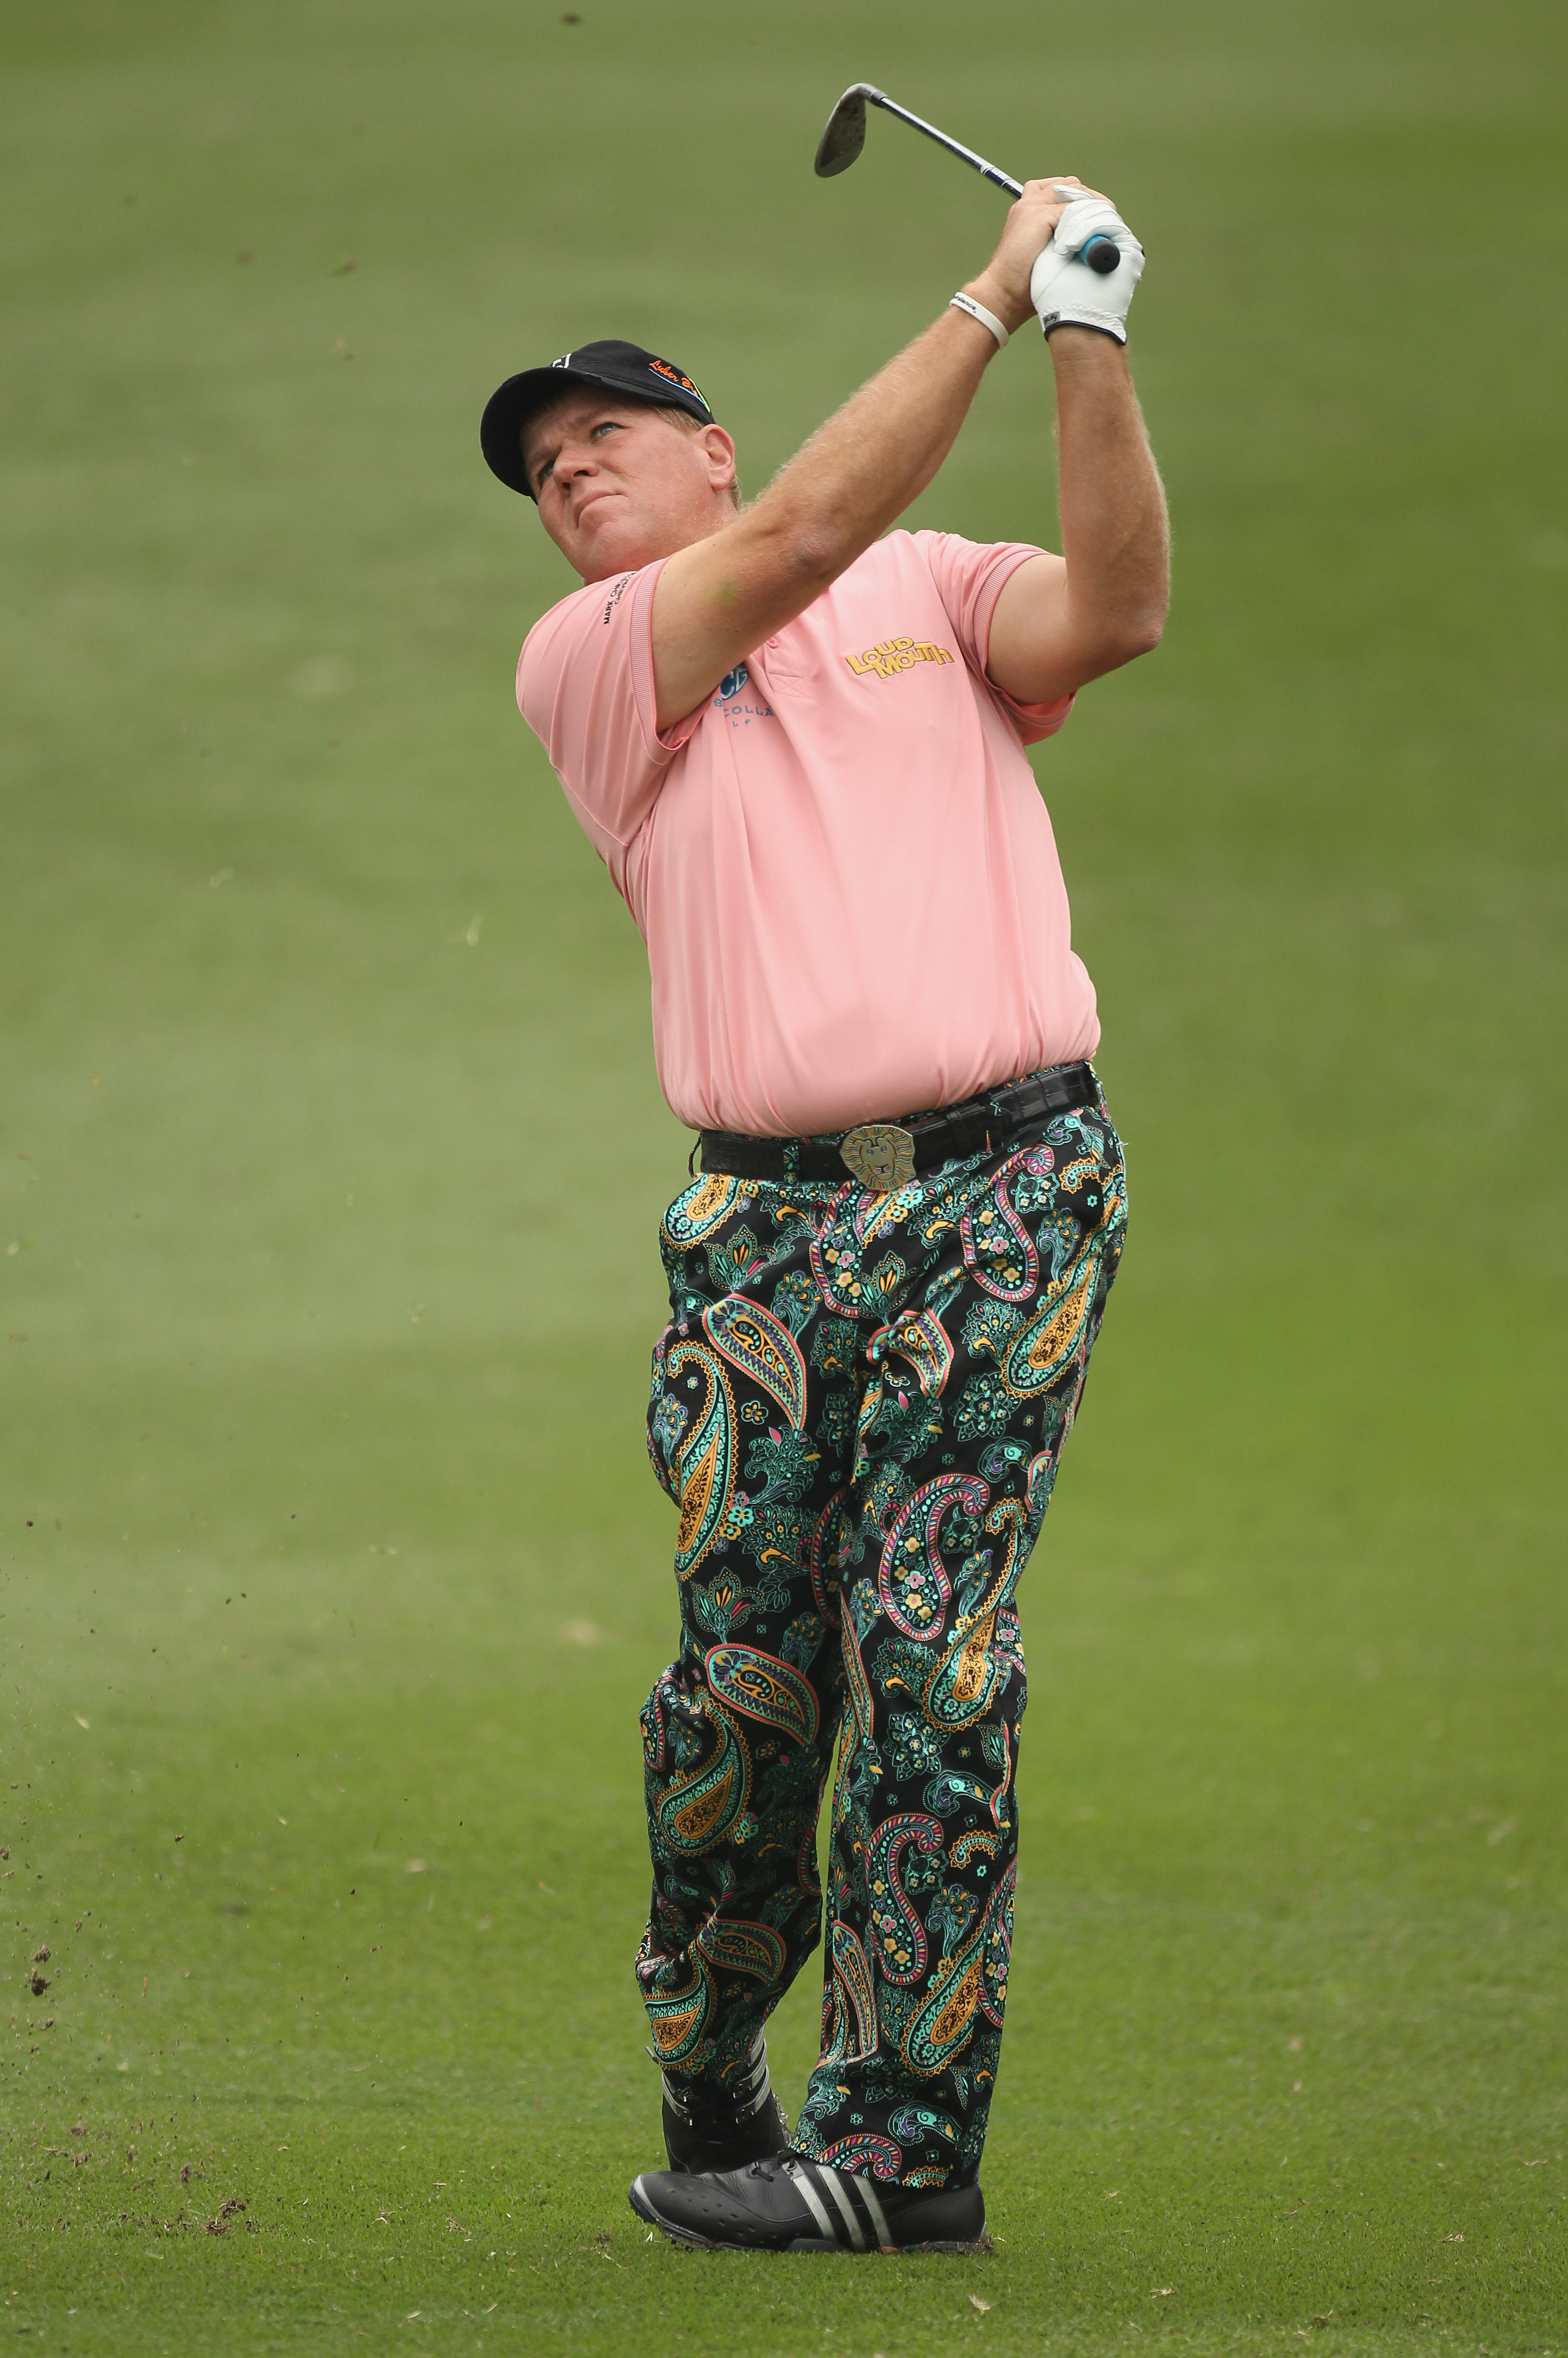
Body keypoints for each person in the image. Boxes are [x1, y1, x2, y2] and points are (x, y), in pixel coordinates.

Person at [481, 175, 1168, 2255]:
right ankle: (712, 2046)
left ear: (706, 438)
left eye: (599, 429)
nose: (566, 471)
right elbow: (795, 541)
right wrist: (984, 286)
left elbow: (1114, 611)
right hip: (761, 1236)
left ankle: (901, 2145)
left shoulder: (936, 587)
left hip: (1006, 1192)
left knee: (930, 1657)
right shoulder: (599, 659)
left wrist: (1086, 334)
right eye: (537, 466)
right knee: (741, 1687)